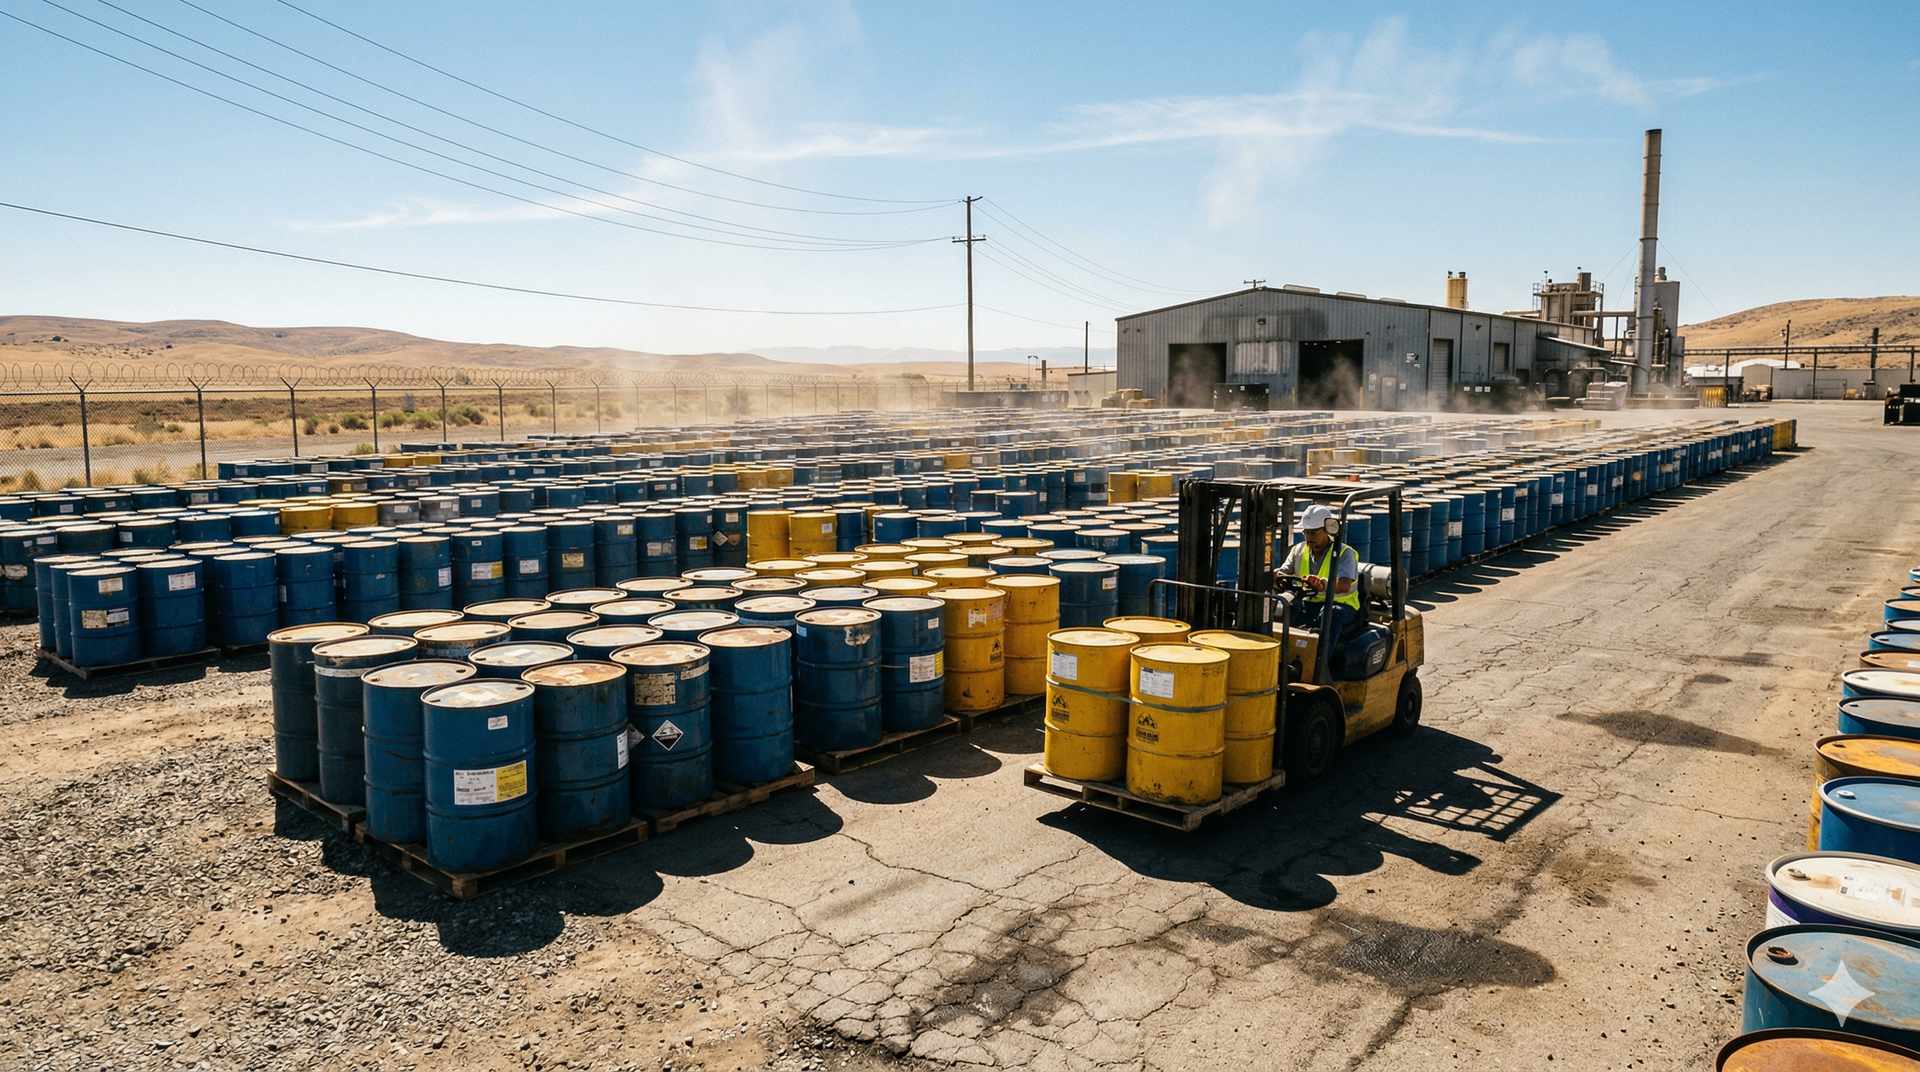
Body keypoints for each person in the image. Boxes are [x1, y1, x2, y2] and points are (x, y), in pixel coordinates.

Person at [1280, 504, 1363, 642]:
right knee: (1282, 606)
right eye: (1306, 532)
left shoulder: (1344, 553)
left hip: (1341, 606)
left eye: (1313, 532)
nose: (1309, 537)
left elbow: (1344, 585)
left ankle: (1321, 661)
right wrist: (1277, 575)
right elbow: (1284, 571)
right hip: (1309, 603)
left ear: (1328, 530)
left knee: (1331, 613)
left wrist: (1322, 584)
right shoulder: (1298, 550)